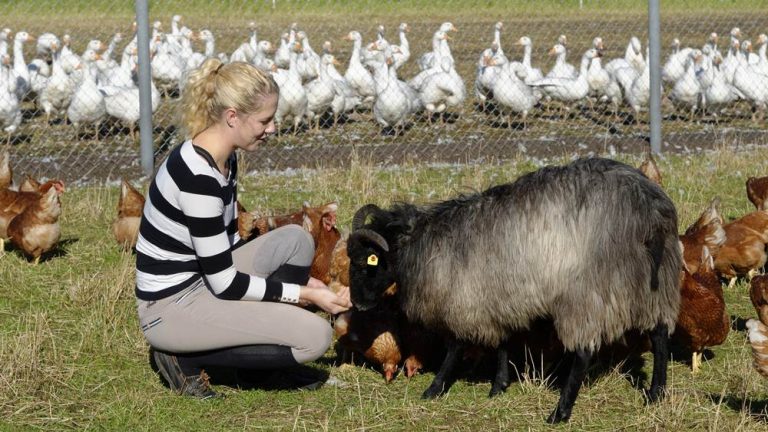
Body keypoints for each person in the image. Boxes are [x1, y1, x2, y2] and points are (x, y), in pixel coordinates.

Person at [135, 58, 352, 398]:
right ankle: (181, 356)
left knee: (296, 239)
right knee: (316, 338)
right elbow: (224, 281)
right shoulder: (198, 179)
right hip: (170, 307)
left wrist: (307, 281)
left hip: (203, 281)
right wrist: (306, 294)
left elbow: (229, 245)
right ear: (232, 117)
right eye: (265, 120)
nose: (272, 129)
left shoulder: (223, 156)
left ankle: (264, 356)